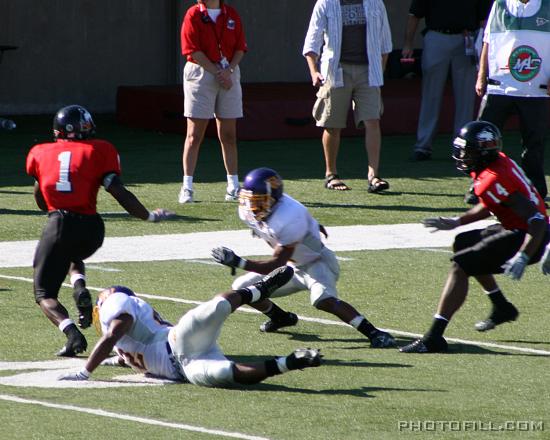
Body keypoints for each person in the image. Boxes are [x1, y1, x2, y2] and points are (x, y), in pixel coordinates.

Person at [26, 105, 174, 358]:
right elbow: (119, 192)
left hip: (59, 224)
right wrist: (148, 216)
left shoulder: (40, 152)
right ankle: (79, 284)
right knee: (72, 252)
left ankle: (72, 335)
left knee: (43, 294)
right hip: (92, 228)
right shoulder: (100, 149)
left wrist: (53, 205)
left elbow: (40, 197)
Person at [400, 121, 549, 353]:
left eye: (467, 151)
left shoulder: (494, 177)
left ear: (482, 151)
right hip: (516, 227)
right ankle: (502, 306)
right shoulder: (494, 162)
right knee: (463, 242)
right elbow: (492, 203)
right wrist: (457, 222)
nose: (462, 156)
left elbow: (537, 220)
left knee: (460, 266)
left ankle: (434, 337)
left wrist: (523, 255)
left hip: (529, 235)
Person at [211, 167, 396, 348]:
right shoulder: (247, 211)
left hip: (317, 263)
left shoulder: (290, 215)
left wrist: (238, 262)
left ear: (274, 198)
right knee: (241, 289)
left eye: (259, 201)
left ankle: (374, 333)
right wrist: (312, 227)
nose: (252, 207)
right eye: (250, 200)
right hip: (291, 267)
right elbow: (269, 233)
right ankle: (280, 317)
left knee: (323, 300)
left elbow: (276, 264)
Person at [58, 268, 322, 387]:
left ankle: (257, 290)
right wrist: (110, 361)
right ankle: (289, 363)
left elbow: (115, 330)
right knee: (225, 373)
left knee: (213, 309)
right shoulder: (122, 347)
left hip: (176, 340)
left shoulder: (114, 303)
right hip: (184, 369)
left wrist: (85, 371)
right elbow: (126, 353)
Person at [302, 0, 393, 193]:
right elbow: (312, 41)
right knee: (332, 124)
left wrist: (380, 71)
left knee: (372, 120)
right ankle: (331, 174)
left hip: (368, 70)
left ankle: (374, 175)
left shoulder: (375, 3)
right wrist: (314, 71)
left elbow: (385, 43)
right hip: (336, 70)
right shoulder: (326, 3)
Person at [474, 0, 550, 202]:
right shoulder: (499, 5)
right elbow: (487, 42)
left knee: (534, 144)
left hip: (536, 89)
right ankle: (479, 187)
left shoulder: (547, 6)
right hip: (500, 86)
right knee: (482, 138)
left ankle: (535, 190)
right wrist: (482, 74)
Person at [402, 0, 493, 161]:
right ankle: (423, 145)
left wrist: (484, 47)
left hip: (467, 38)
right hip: (437, 36)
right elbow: (414, 14)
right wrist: (408, 43)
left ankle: (463, 145)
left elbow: (485, 20)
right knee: (431, 94)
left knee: (466, 97)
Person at [179, 0, 247, 204]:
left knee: (229, 134)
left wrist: (228, 70)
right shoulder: (193, 14)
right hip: (201, 73)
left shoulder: (232, 14)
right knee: (194, 134)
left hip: (229, 74)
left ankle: (233, 185)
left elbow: (240, 48)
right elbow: (192, 50)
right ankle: (187, 186)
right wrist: (218, 72)